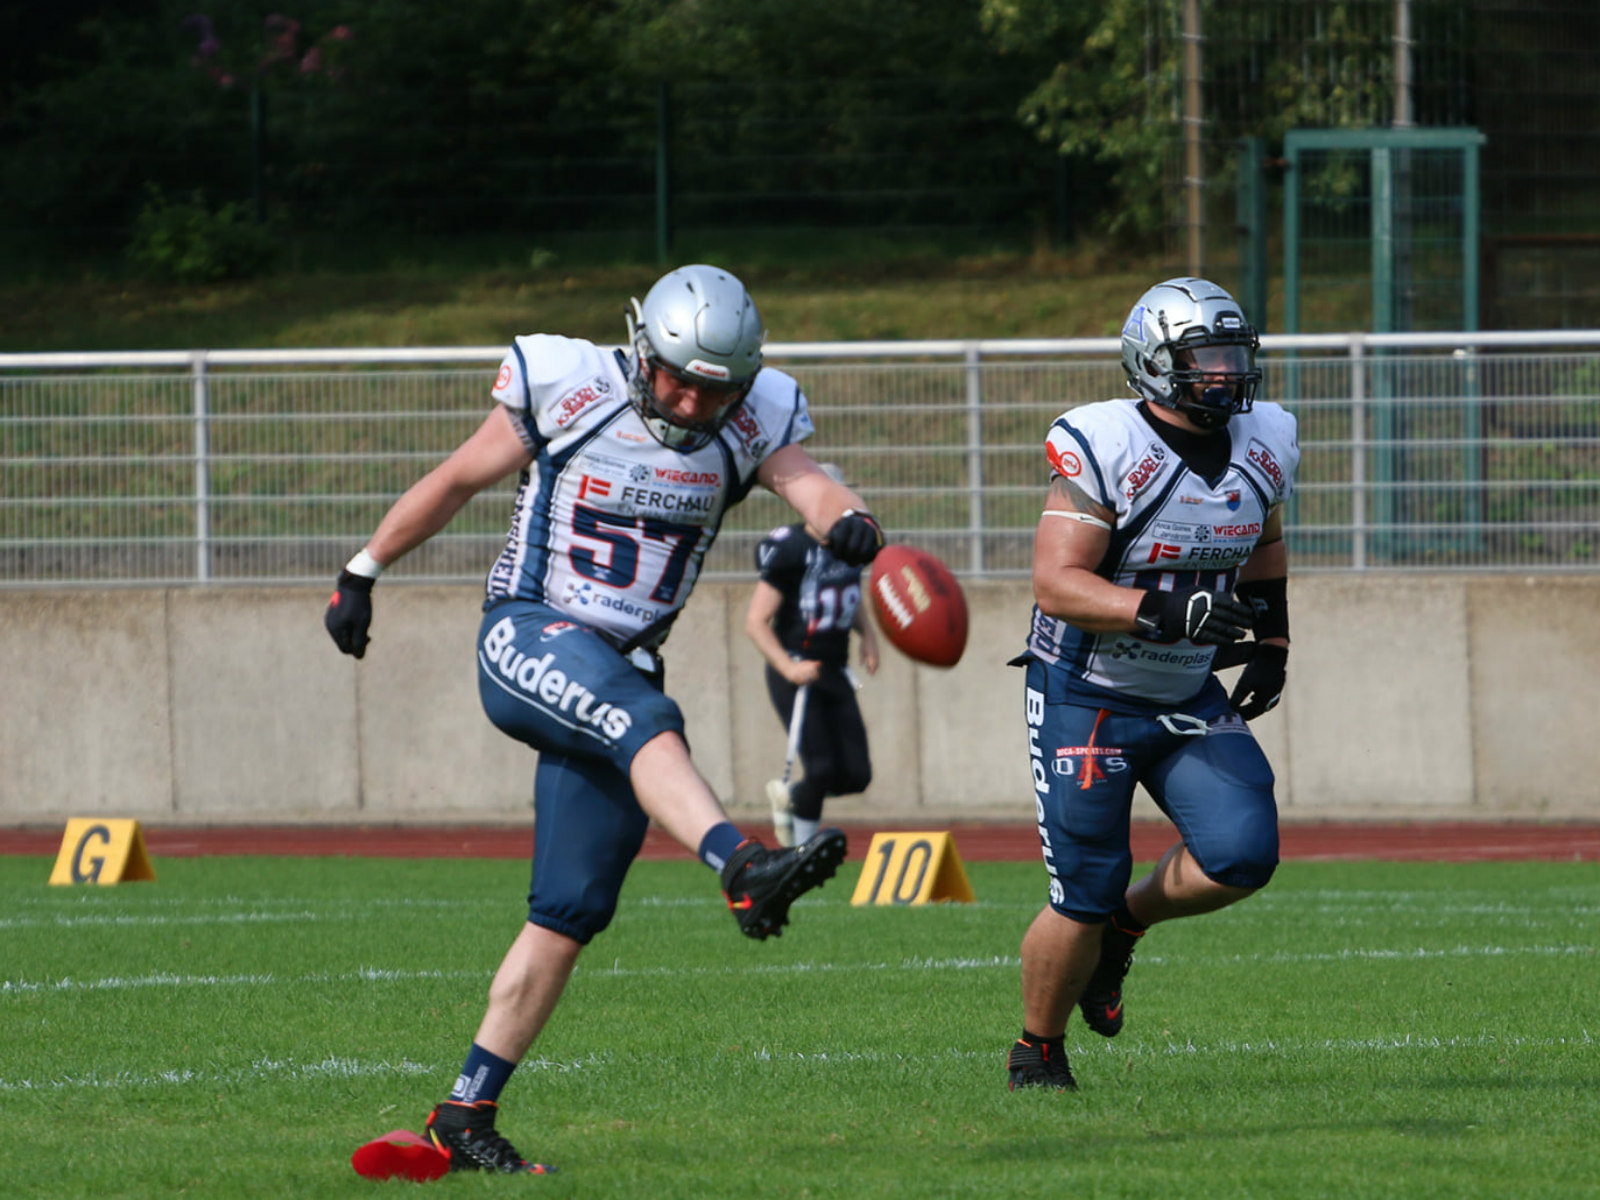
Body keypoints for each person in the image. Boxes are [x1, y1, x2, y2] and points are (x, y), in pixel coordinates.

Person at [324, 264, 885, 1176]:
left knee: (570, 907)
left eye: (715, 387)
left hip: (620, 671)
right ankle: (743, 866)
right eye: (677, 379)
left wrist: (851, 523)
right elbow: (460, 477)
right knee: (642, 713)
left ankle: (463, 1115)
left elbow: (814, 486)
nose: (694, 401)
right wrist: (363, 570)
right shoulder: (572, 387)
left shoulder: (752, 417)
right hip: (526, 635)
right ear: (642, 349)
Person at [1005, 277, 1298, 1091]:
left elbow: (1263, 533)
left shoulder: (1264, 440)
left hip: (1183, 695)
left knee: (1241, 854)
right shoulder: (1107, 445)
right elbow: (1056, 583)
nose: (1225, 374)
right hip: (1086, 691)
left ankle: (1126, 929)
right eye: (1204, 358)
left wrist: (1272, 634)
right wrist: (1164, 608)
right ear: (1154, 362)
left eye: (1233, 355)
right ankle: (1037, 1050)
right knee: (1083, 887)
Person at [744, 464, 880, 847]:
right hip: (797, 671)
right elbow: (755, 621)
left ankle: (793, 797)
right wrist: (788, 666)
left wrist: (867, 636)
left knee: (857, 775)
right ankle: (801, 850)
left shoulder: (849, 547)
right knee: (820, 768)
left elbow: (847, 596)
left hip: (835, 669)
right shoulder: (791, 549)